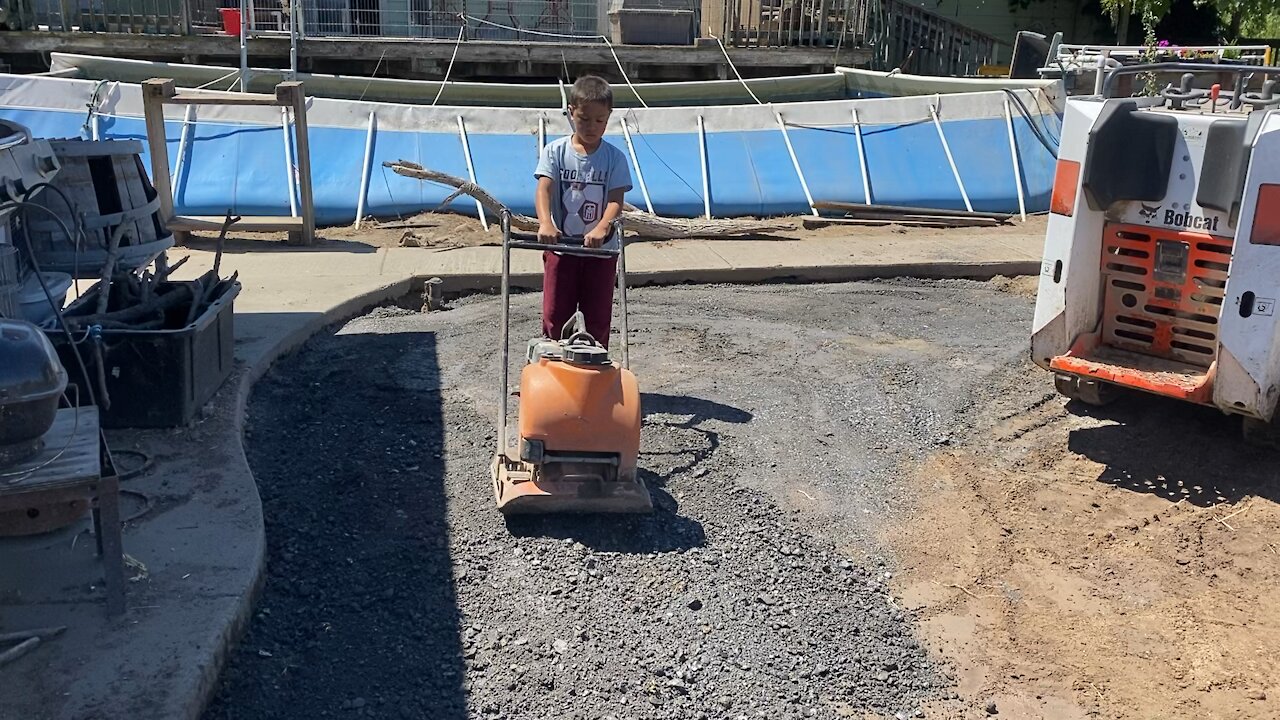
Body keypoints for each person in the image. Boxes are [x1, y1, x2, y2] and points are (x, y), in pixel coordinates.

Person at [534, 75, 633, 349]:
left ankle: (595, 372)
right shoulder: (555, 152)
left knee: (598, 317)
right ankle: (553, 367)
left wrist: (602, 227)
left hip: (600, 253)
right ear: (571, 113)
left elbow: (615, 199)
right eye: (584, 119)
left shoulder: (614, 158)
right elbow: (544, 189)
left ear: (608, 117)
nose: (592, 126)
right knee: (555, 314)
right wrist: (545, 223)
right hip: (562, 249)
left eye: (600, 120)